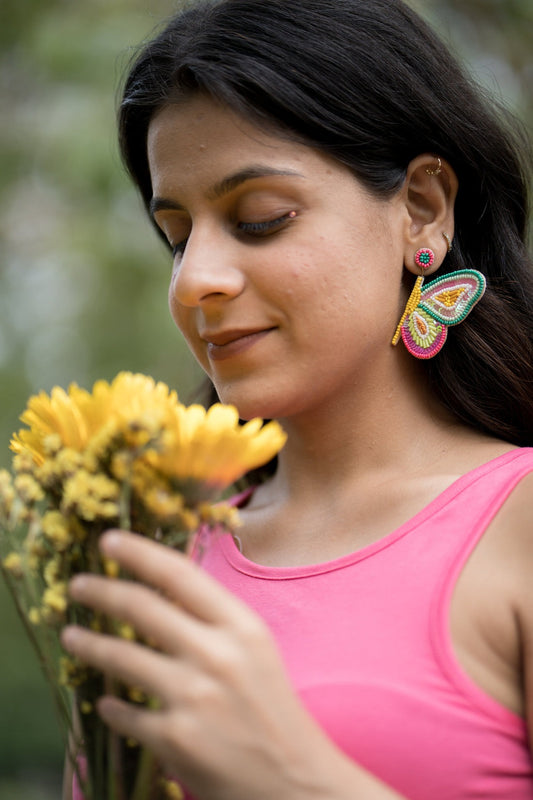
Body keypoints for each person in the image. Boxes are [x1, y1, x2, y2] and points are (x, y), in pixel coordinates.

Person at [61, 0, 533, 797]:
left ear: (421, 206)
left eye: (260, 219)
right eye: (176, 236)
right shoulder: (159, 546)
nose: (195, 280)